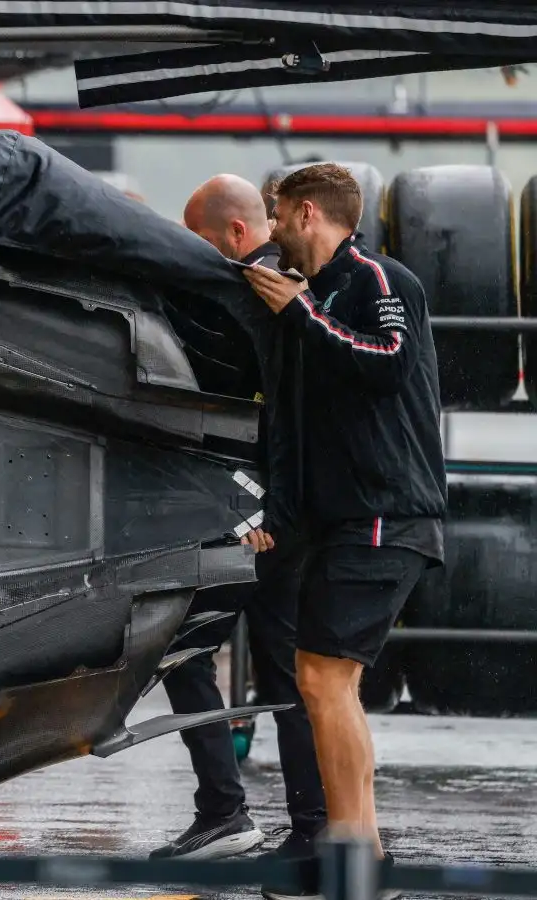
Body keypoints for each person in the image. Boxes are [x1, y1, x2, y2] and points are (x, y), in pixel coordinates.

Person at [241, 163, 445, 900]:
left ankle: (355, 857)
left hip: (388, 512)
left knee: (325, 680)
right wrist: (272, 517)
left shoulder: (378, 279)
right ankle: (360, 853)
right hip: (343, 519)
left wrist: (300, 314)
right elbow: (291, 422)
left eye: (273, 217)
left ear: (303, 213)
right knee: (329, 684)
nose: (267, 233)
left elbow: (388, 365)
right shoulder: (307, 300)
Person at [148, 175, 327, 862]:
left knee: (183, 644)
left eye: (198, 240)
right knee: (288, 672)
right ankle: (310, 827)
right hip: (289, 515)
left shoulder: (249, 294)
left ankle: (224, 810)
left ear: (234, 232)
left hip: (252, 515)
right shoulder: (294, 292)